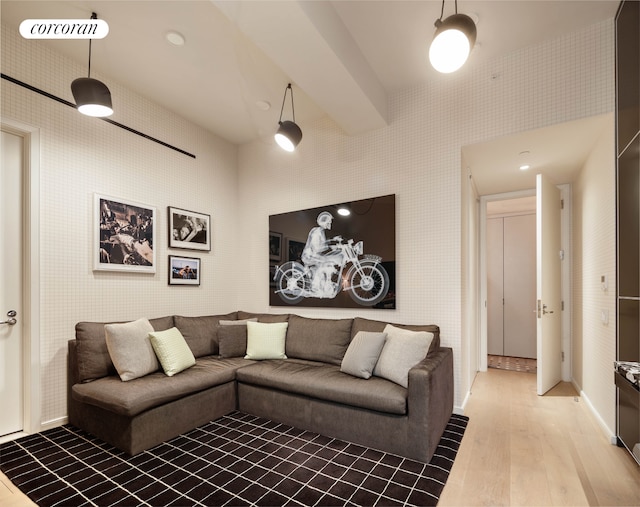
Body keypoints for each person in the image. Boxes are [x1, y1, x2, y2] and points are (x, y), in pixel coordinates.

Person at [301, 211, 343, 295]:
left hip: (315, 255)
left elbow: (324, 245)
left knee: (328, 261)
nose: (330, 224)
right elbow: (317, 247)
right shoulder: (316, 232)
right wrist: (332, 246)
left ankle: (324, 284)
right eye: (328, 222)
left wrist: (333, 241)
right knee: (325, 262)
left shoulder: (321, 231)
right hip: (309, 256)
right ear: (324, 222)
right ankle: (315, 286)